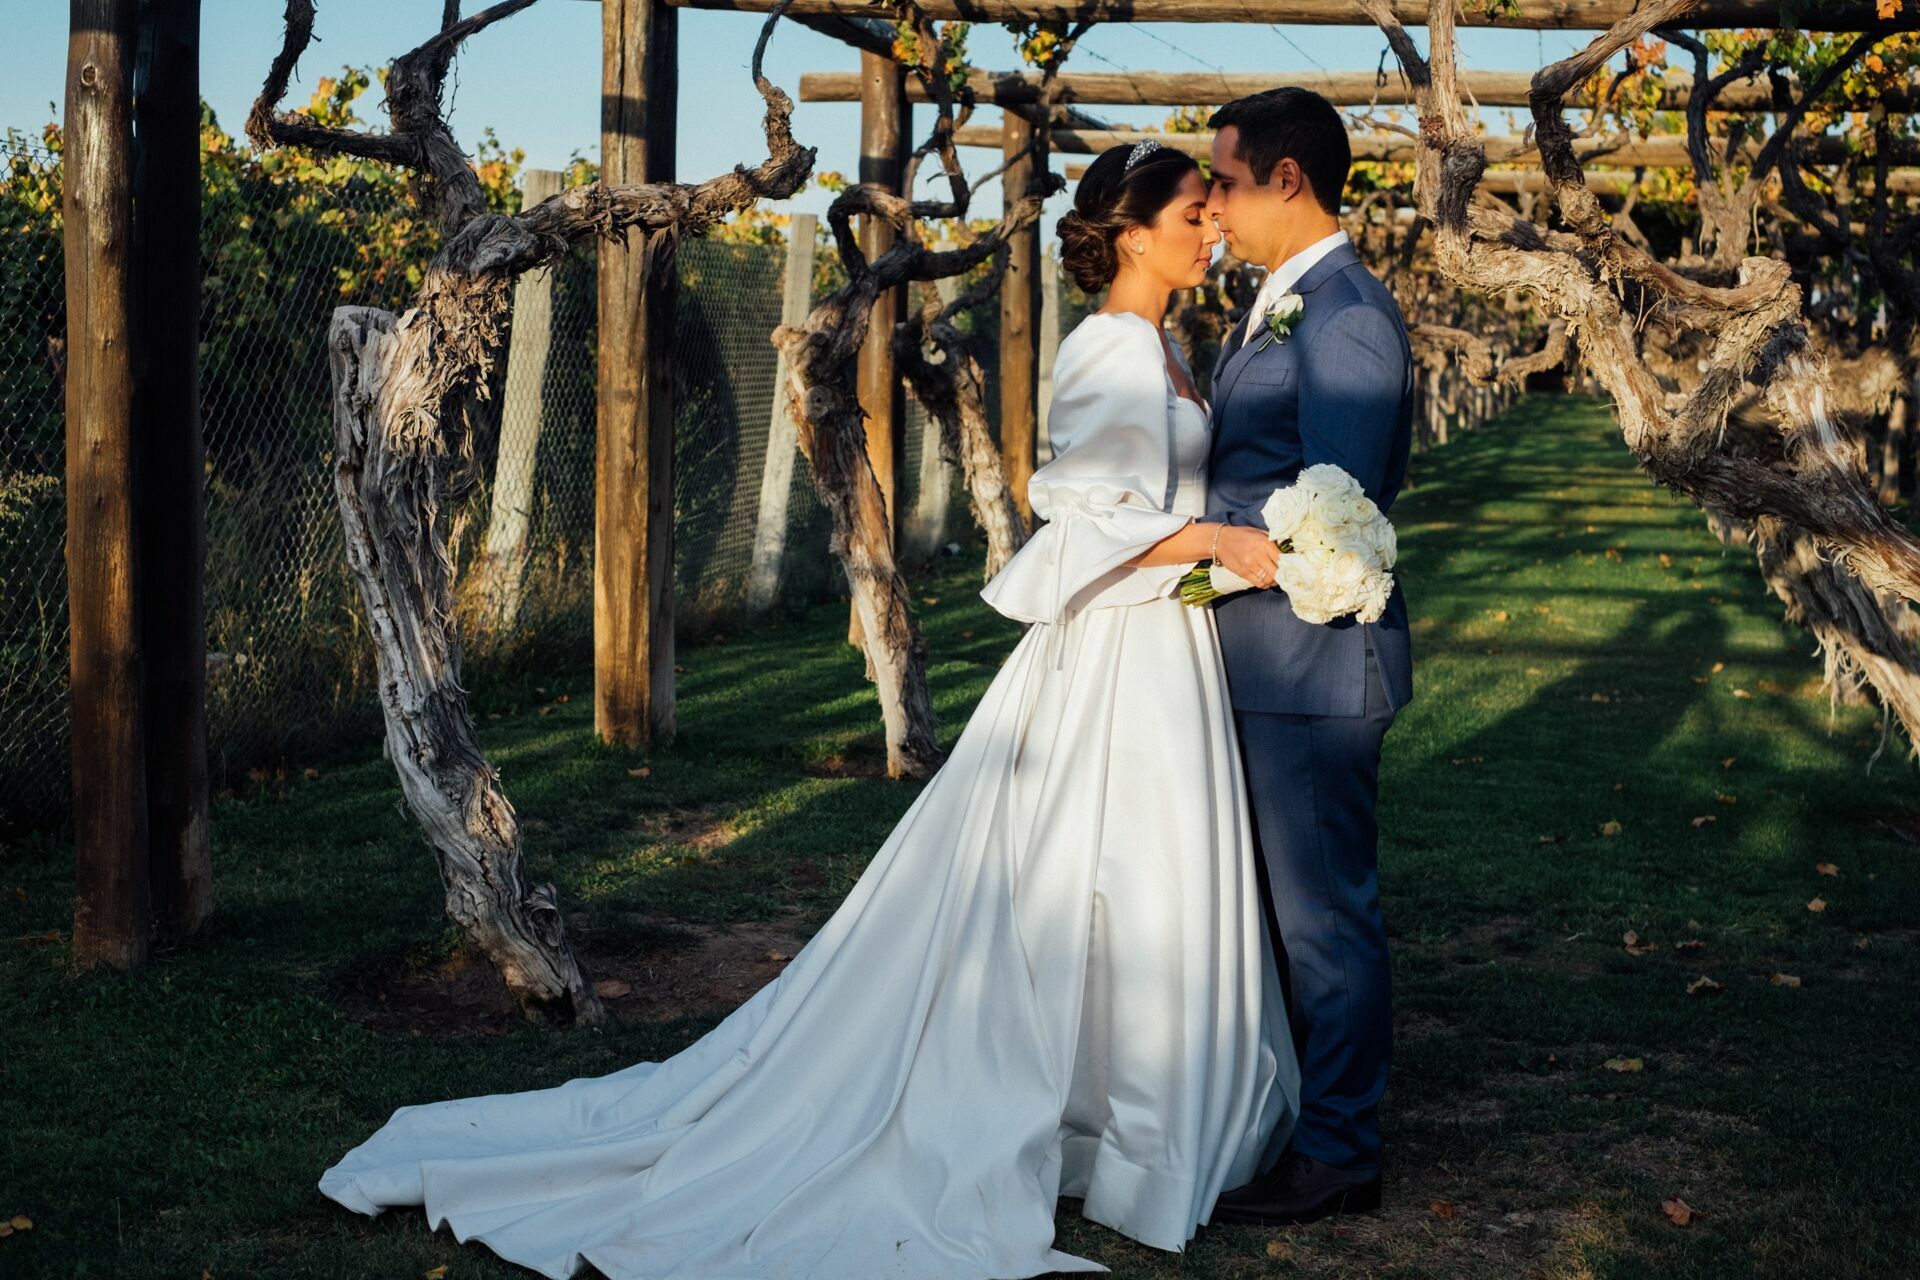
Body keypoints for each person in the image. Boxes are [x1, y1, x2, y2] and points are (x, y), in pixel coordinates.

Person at [317, 136, 1300, 1280]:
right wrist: (1224, 540)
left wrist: (1226, 557)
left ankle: (1128, 1119)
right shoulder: (1109, 352)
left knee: (1141, 880)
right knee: (1102, 873)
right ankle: (1103, 1120)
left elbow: (1147, 508)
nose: (1210, 222)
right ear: (1131, 230)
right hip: (1117, 655)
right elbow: (1084, 509)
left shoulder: (1170, 343)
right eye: (1193, 207)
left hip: (1163, 640)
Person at [1200, 86, 1416, 1228]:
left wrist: (1184, 569)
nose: (1213, 207)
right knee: (1295, 913)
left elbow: (1338, 518)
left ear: (1288, 178)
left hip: (1316, 664)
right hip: (1268, 661)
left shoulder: (1343, 317)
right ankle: (1307, 1113)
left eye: (1225, 182)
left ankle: (1341, 1149)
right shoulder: (1281, 306)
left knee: (1325, 915)